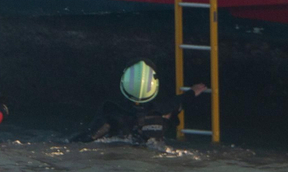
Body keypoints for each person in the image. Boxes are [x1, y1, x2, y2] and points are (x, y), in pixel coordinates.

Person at [72, 60, 209, 146]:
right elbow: (178, 102)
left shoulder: (111, 112)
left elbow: (88, 137)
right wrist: (191, 92)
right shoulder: (165, 112)